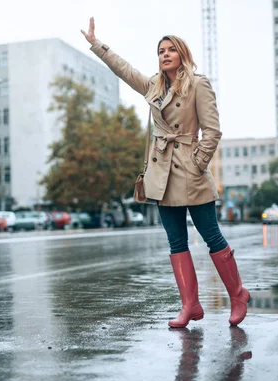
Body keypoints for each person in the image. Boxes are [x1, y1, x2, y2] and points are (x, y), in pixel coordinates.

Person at [81, 17, 250, 328]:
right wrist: (96, 45)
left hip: (191, 171)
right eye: (161, 51)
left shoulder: (199, 84)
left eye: (171, 49)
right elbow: (124, 69)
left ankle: (238, 294)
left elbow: (213, 131)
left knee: (212, 236)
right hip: (162, 176)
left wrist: (198, 162)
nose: (165, 54)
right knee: (176, 242)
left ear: (182, 54)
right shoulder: (154, 87)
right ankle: (190, 305)